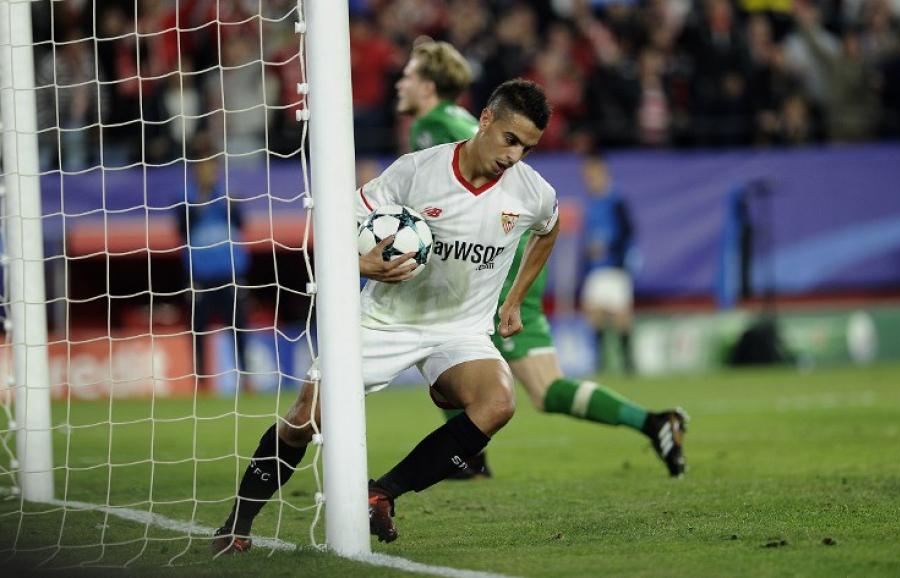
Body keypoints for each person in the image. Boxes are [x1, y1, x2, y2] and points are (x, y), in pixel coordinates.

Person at [212, 79, 559, 553]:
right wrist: (360, 264)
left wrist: (514, 299)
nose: (514, 156)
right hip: (384, 321)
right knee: (304, 419)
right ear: (485, 120)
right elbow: (340, 223)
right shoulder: (417, 172)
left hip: (460, 330)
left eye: (527, 148)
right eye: (510, 139)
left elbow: (549, 227)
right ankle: (237, 524)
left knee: (498, 402)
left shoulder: (531, 192)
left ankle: (381, 493)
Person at [395, 41, 688, 482]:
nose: (400, 83)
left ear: (428, 86)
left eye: (409, 75)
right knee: (547, 389)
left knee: (442, 341)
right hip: (515, 266)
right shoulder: (467, 123)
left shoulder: (432, 126)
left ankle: (466, 460)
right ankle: (654, 423)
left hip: (491, 274)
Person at [176, 141, 250, 387]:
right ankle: (201, 381)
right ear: (195, 170)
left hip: (230, 275)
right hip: (200, 277)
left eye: (210, 166)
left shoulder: (228, 194)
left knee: (239, 328)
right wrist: (203, 198)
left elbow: (241, 223)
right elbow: (182, 228)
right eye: (202, 166)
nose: (207, 171)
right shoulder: (186, 197)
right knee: (198, 330)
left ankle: (246, 378)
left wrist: (228, 202)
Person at [580, 153, 636, 373]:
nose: (590, 180)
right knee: (594, 313)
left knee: (621, 314)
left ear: (604, 173)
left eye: (593, 175)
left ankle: (628, 364)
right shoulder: (591, 203)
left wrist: (610, 248)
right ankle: (600, 363)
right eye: (587, 176)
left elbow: (628, 230)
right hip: (595, 269)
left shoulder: (616, 200)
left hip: (615, 267)